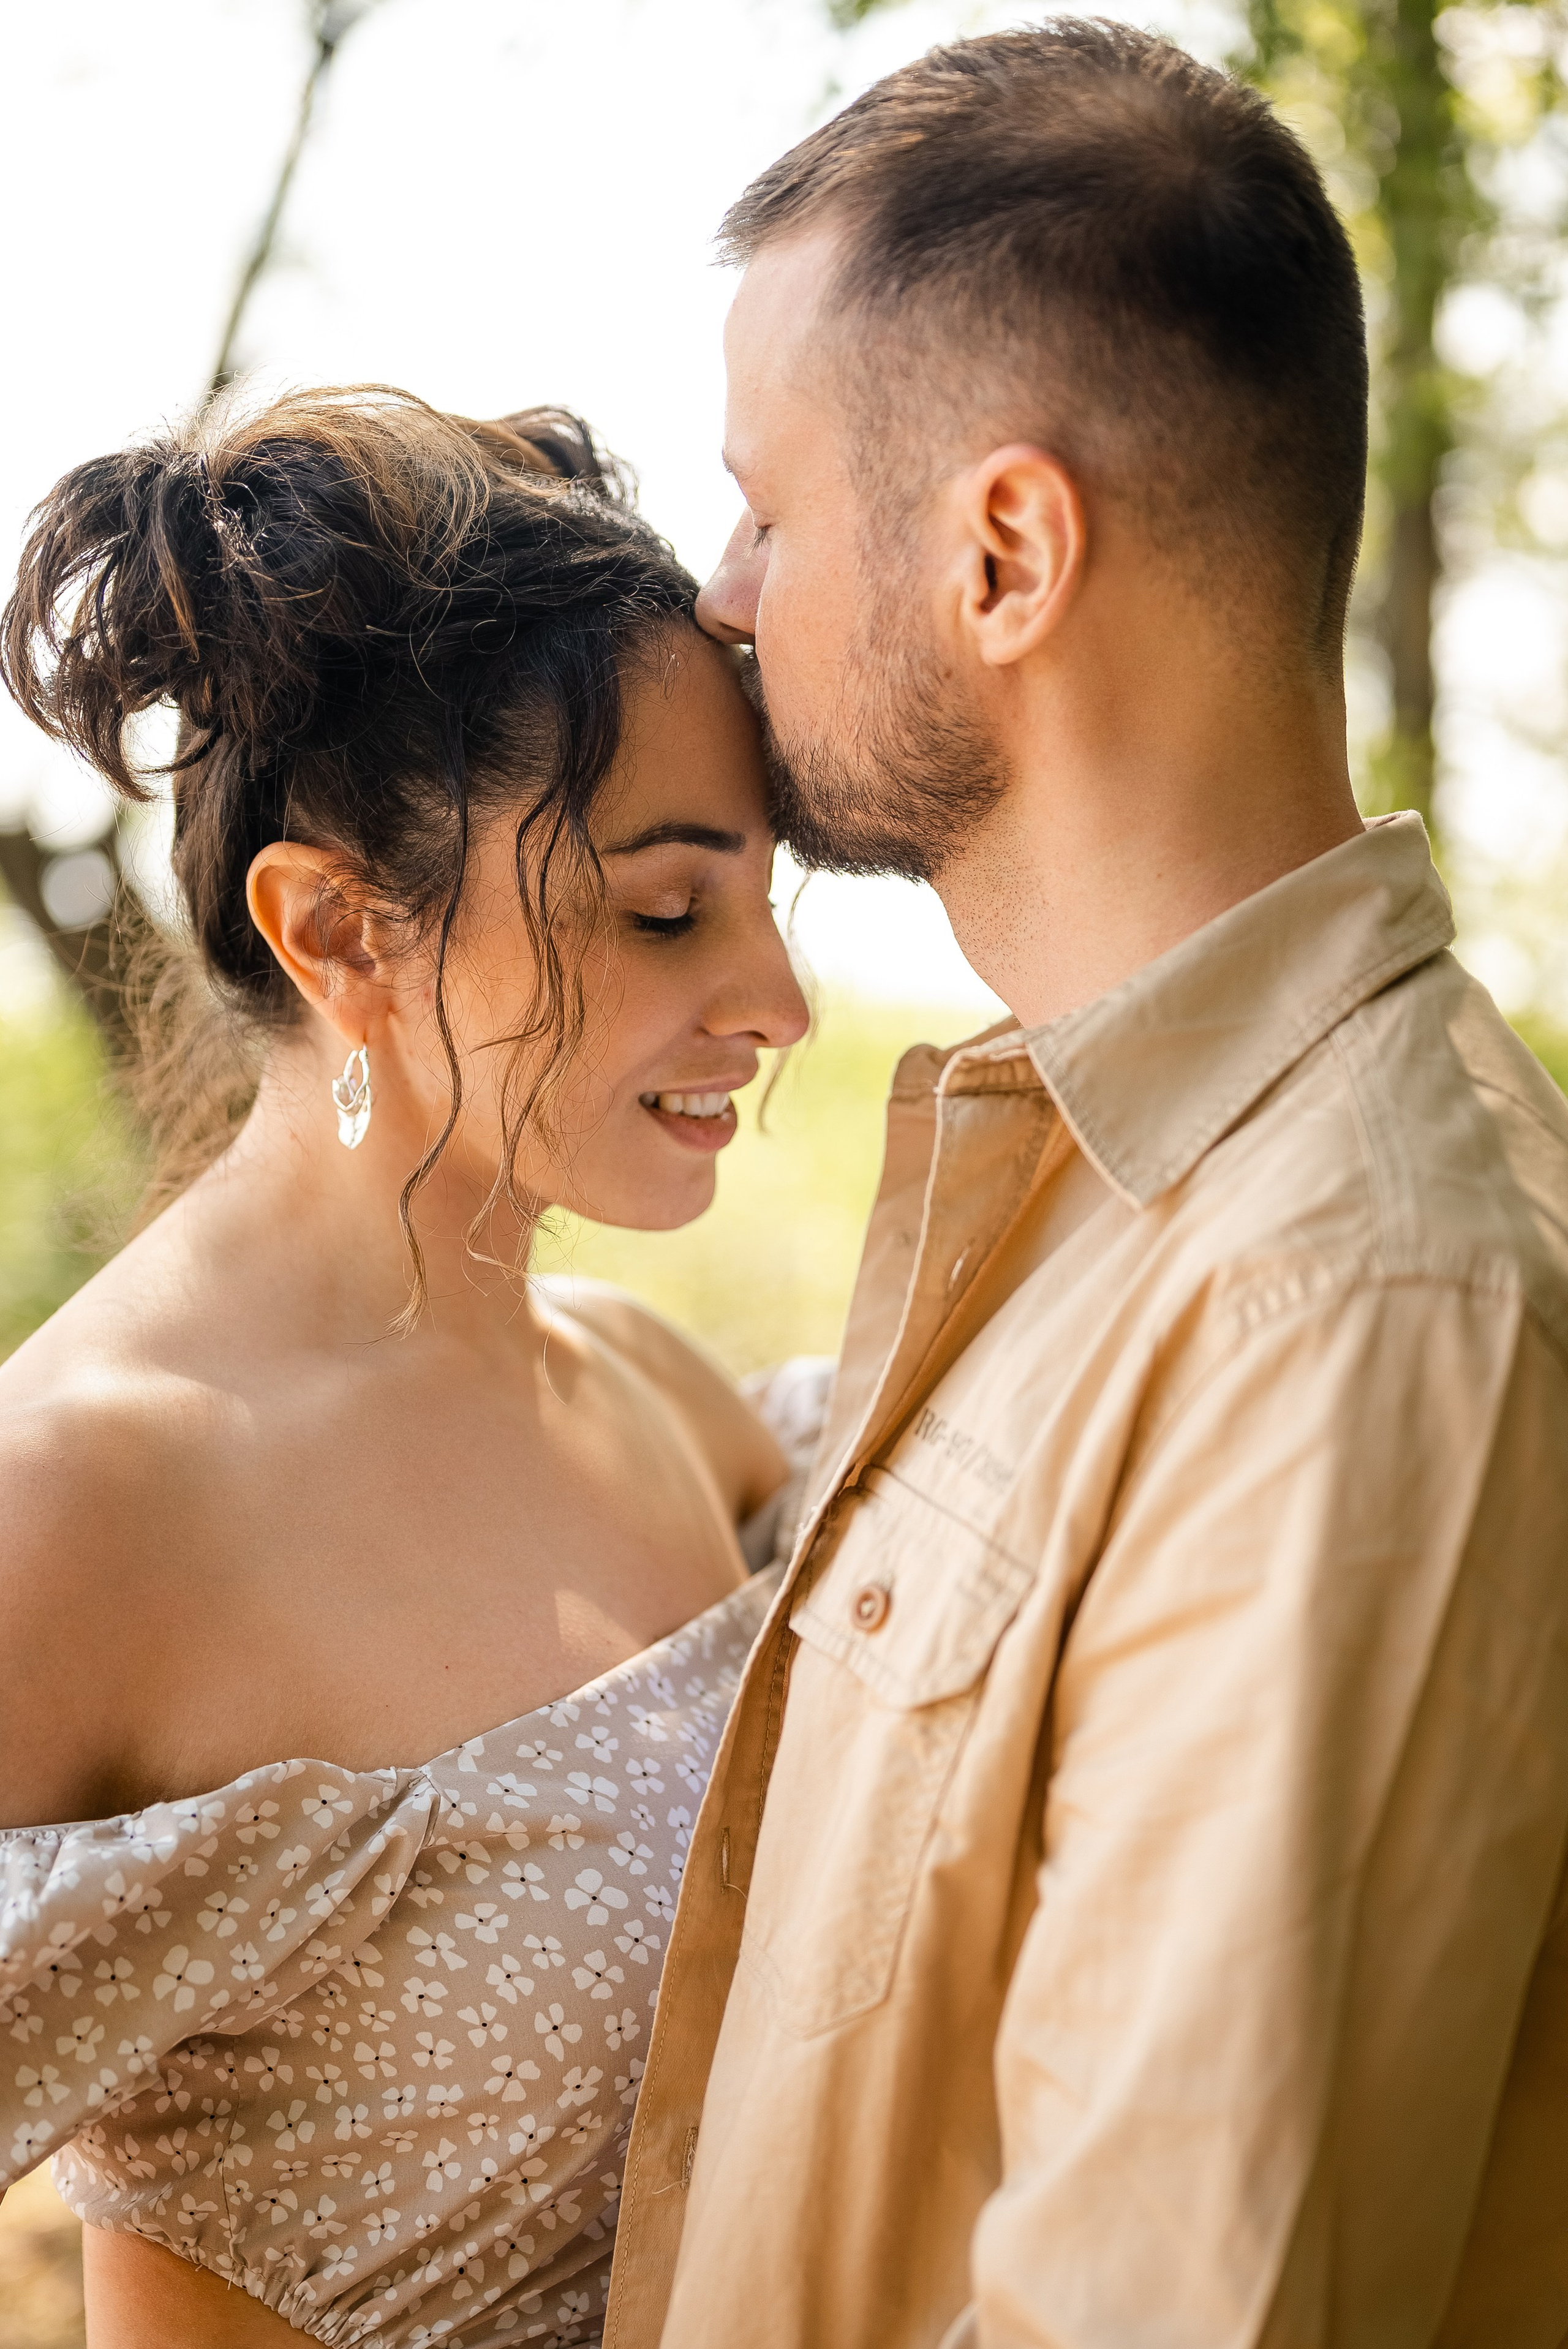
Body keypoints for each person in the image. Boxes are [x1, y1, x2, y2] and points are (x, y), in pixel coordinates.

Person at [605, 23, 1568, 2349]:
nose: (725, 596)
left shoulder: (1354, 1299)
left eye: (771, 507)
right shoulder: (1095, 1187)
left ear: (1007, 553)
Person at [0, 386, 810, 2346]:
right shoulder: (84, 1496)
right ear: (342, 926)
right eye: (667, 907)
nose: (773, 1000)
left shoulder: (651, 1387)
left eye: (767, 900)